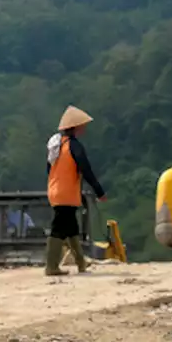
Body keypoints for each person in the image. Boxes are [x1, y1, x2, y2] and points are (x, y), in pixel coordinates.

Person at [45, 105, 105, 275]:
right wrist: (99, 191)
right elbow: (86, 169)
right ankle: (51, 266)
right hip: (66, 193)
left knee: (71, 227)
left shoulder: (56, 145)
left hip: (56, 190)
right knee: (58, 228)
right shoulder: (74, 146)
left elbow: (49, 170)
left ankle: (80, 263)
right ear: (76, 127)